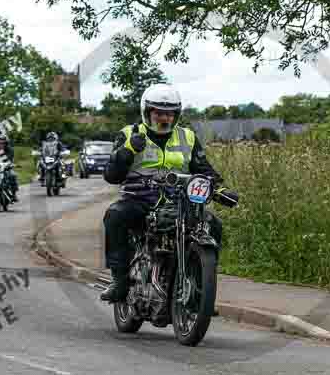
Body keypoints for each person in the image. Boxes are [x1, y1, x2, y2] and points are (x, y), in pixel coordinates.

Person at [100, 84, 236, 303]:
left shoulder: (188, 137)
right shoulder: (129, 134)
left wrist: (219, 190)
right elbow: (112, 176)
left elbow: (203, 170)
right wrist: (129, 150)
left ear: (176, 114)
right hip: (140, 200)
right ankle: (119, 281)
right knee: (115, 215)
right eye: (158, 112)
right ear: (147, 112)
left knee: (213, 224)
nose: (164, 118)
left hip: (179, 202)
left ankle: (202, 290)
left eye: (169, 113)